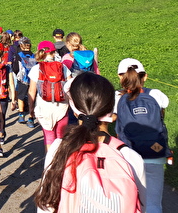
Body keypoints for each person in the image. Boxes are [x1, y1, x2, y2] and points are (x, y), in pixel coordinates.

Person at [34, 72, 146, 213]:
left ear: (74, 111)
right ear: (111, 110)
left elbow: (46, 207)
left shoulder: (60, 148)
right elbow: (142, 207)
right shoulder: (131, 157)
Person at [115, 58, 169, 213]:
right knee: (153, 202)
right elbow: (164, 106)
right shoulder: (157, 94)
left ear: (121, 77)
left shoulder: (117, 97)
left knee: (130, 200)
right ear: (145, 76)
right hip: (155, 152)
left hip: (129, 154)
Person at [28, 41, 71, 152]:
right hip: (62, 107)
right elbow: (71, 87)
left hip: (44, 108)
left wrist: (31, 109)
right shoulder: (63, 67)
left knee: (49, 137)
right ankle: (61, 165)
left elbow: (32, 91)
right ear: (54, 52)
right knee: (61, 137)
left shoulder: (36, 69)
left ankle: (49, 165)